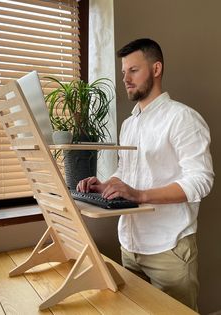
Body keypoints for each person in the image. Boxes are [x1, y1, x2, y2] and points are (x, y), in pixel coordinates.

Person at [76, 38, 214, 311]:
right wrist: (105, 186)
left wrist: (139, 195)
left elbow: (201, 180)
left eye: (133, 70)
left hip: (169, 248)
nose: (125, 78)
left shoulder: (183, 118)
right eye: (123, 72)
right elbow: (126, 171)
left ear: (156, 69)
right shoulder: (129, 124)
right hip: (129, 244)